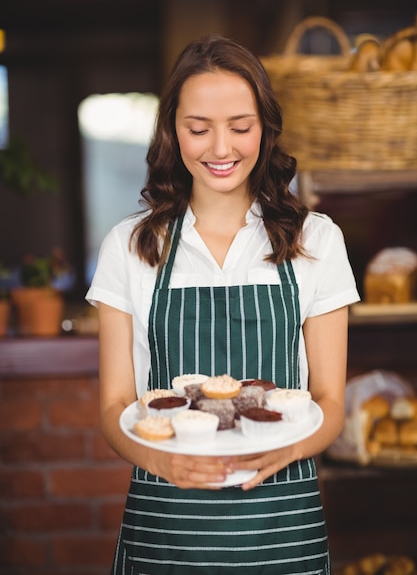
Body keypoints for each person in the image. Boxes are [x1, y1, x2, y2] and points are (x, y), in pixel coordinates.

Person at [86, 33, 360, 575]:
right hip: (166, 528)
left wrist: (277, 454)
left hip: (283, 528)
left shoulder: (316, 240)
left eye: (240, 127)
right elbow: (115, 406)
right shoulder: (130, 245)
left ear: (264, 128)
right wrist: (162, 460)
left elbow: (330, 402)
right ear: (172, 131)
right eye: (198, 129)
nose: (220, 148)